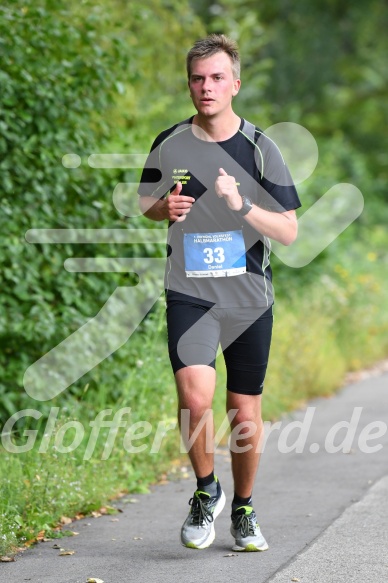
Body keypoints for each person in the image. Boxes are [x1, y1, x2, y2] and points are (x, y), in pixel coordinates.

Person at [138, 34, 301, 551]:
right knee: (193, 394)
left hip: (249, 298)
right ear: (189, 84)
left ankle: (245, 509)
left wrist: (240, 205)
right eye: (197, 78)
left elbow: (289, 231)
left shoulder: (260, 148)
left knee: (243, 412)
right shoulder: (169, 142)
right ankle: (207, 492)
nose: (205, 87)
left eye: (215, 78)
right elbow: (146, 201)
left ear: (235, 83)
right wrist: (164, 210)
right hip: (190, 293)